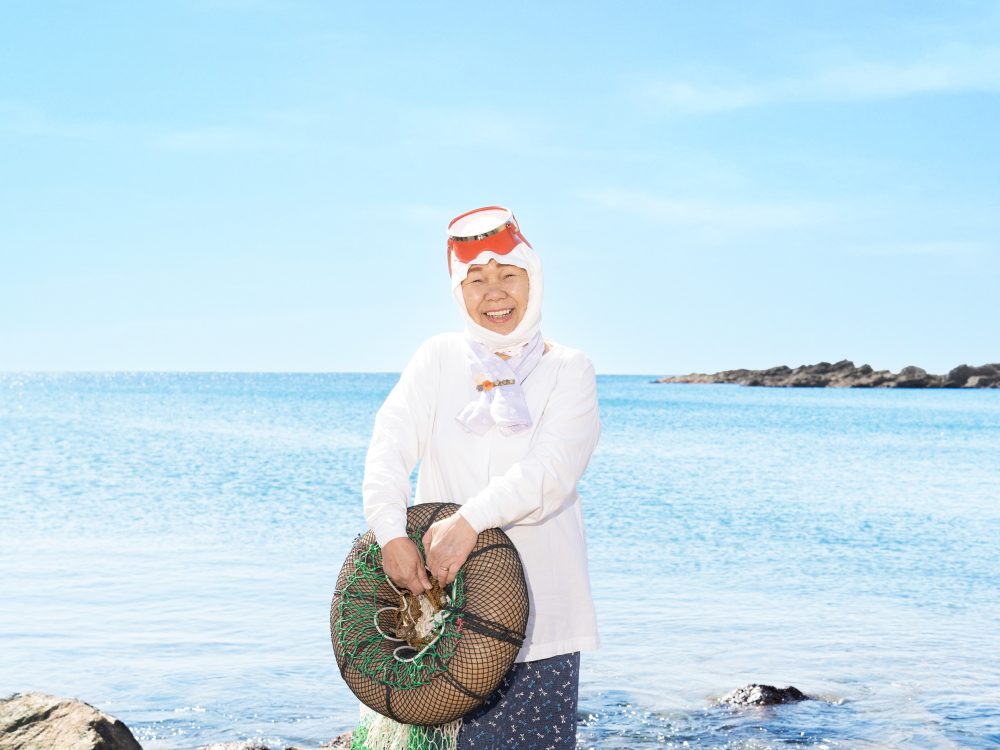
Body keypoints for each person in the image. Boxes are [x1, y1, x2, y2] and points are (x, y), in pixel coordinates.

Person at [362, 205, 600, 749]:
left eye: (509, 276)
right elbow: (388, 446)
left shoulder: (570, 369)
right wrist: (389, 532)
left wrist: (470, 520)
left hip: (543, 623)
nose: (494, 293)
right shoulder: (438, 359)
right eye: (476, 280)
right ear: (458, 292)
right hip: (445, 625)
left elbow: (551, 474)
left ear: (533, 281)